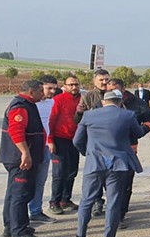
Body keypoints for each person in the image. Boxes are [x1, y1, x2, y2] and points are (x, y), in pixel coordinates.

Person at [73, 89, 148, 237]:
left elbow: (77, 140)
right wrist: (147, 126)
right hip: (118, 164)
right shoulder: (127, 115)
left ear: (104, 101)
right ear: (120, 102)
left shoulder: (89, 115)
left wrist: (87, 153)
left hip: (94, 163)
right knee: (113, 200)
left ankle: (80, 236)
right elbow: (138, 133)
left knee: (87, 200)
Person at [105, 79, 150, 228]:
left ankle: (120, 214)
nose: (112, 93)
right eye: (109, 90)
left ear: (123, 89)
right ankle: (109, 209)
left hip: (128, 149)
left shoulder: (136, 103)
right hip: (106, 151)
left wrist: (144, 130)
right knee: (108, 183)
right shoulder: (104, 102)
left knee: (125, 183)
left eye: (115, 90)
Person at [0, 80, 45, 237]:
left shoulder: (27, 104)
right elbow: (16, 131)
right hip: (21, 159)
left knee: (13, 192)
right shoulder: (20, 106)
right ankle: (19, 231)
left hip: (20, 157)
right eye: (40, 91)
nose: (43, 94)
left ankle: (11, 225)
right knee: (21, 193)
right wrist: (25, 153)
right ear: (31, 92)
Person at [73, 69, 110, 216]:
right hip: (94, 142)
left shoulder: (114, 94)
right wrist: (79, 113)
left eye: (106, 79)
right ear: (94, 82)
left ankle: (115, 205)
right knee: (95, 174)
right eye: (101, 80)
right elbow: (78, 121)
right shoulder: (88, 97)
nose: (104, 82)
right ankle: (97, 201)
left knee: (112, 174)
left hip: (111, 142)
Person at [47, 76, 82, 215]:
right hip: (59, 140)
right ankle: (54, 202)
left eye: (76, 84)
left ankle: (65, 199)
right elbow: (51, 120)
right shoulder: (58, 100)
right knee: (59, 172)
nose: (74, 87)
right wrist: (50, 140)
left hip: (75, 140)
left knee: (72, 171)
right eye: (71, 85)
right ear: (65, 86)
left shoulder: (82, 100)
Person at [29, 75, 59, 224]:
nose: (52, 91)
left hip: (45, 147)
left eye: (55, 88)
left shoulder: (53, 102)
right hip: (30, 148)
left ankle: (36, 211)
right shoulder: (31, 104)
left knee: (40, 180)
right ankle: (19, 215)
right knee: (26, 182)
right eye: (49, 88)